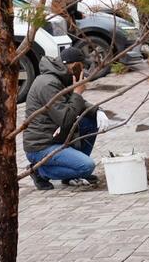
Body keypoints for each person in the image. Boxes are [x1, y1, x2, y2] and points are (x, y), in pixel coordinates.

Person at [24, 47, 111, 190]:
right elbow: (65, 119)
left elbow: (73, 103)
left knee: (89, 120)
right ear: (73, 65)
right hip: (41, 146)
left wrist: (96, 111)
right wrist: (78, 93)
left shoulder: (59, 77)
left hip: (54, 138)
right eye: (81, 67)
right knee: (87, 166)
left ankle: (73, 171)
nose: (83, 71)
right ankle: (39, 171)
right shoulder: (48, 84)